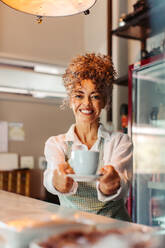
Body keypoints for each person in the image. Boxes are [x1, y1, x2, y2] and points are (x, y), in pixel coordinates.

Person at [44, 53, 133, 221]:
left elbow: (123, 183)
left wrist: (112, 184)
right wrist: (57, 181)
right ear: (70, 100)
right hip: (73, 229)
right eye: (79, 95)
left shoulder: (120, 141)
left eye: (95, 96)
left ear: (105, 101)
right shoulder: (56, 144)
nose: (86, 103)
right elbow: (50, 178)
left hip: (114, 231)